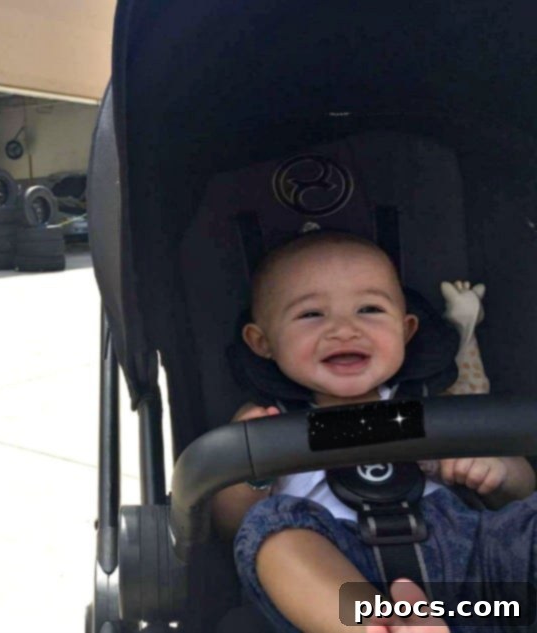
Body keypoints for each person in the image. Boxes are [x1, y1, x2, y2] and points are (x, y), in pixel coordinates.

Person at [213, 231, 536, 633]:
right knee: (269, 528)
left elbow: (523, 492)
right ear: (262, 342)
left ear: (406, 329)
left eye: (369, 309)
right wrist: (251, 473)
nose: (345, 330)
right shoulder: (264, 423)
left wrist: (498, 470)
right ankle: (378, 627)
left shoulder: (440, 404)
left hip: (476, 581)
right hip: (341, 573)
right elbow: (229, 522)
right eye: (312, 314)